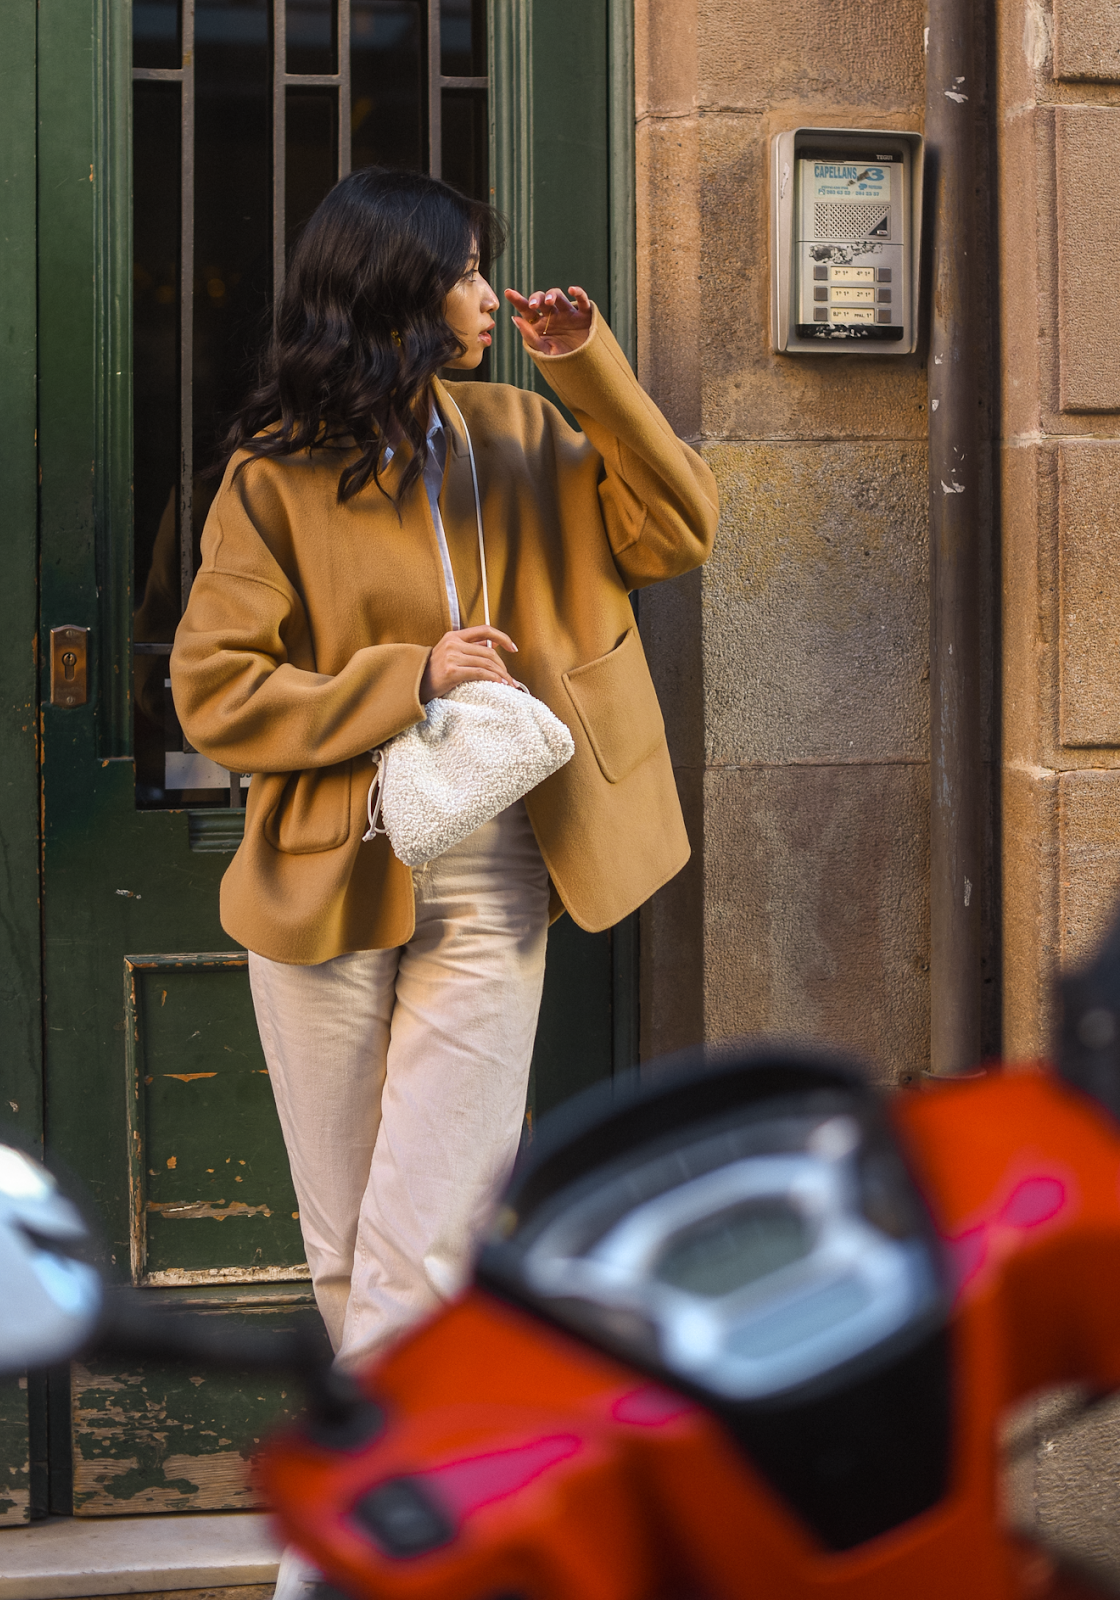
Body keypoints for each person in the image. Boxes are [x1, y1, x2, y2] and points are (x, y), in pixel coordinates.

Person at [170, 166, 717, 1594]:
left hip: (501, 876)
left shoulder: (529, 434)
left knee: (428, 1234)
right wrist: (401, 676)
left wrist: (586, 368)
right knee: (353, 1242)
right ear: (399, 292)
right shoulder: (271, 476)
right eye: (471, 275)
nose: (492, 294)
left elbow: (680, 525)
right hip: (329, 873)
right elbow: (216, 693)